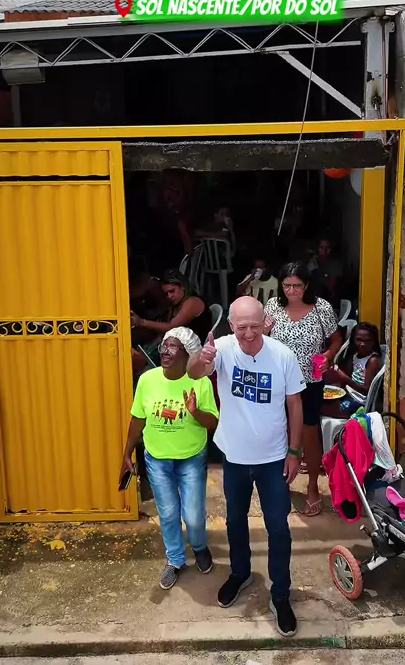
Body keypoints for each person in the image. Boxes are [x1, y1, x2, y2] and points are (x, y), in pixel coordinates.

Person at [187, 296, 305, 638]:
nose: (249, 334)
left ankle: (280, 594)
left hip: (273, 458)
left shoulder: (282, 355)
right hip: (235, 457)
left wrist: (295, 452)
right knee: (235, 521)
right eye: (242, 327)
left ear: (266, 322)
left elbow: (295, 405)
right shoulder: (222, 348)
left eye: (255, 326)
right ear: (231, 325)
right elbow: (194, 372)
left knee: (278, 528)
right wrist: (202, 357)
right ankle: (240, 574)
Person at [119, 327, 219, 590]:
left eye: (173, 347)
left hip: (191, 458)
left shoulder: (200, 382)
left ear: (189, 354)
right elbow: (138, 418)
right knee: (168, 513)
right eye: (164, 346)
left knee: (193, 516)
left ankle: (199, 546)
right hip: (158, 459)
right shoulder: (147, 380)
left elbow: (212, 423)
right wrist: (127, 452)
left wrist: (195, 412)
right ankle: (175, 559)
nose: (165, 351)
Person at [264, 262, 342, 518]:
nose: (292, 291)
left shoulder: (321, 308)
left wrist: (328, 356)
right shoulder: (273, 307)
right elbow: (260, 338)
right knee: (279, 431)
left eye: (297, 286)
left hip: (310, 380)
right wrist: (262, 330)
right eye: (287, 285)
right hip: (278, 381)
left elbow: (336, 339)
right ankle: (281, 483)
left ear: (306, 285)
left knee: (309, 432)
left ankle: (312, 485)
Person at [130, 270, 213, 346]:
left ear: (183, 287)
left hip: (193, 348)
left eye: (172, 291)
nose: (169, 296)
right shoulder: (176, 303)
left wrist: (142, 322)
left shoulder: (192, 302)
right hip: (178, 344)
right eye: (166, 294)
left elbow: (171, 328)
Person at [322, 323, 383, 418]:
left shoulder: (372, 361)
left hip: (359, 403)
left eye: (367, 341)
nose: (362, 344)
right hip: (348, 395)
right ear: (353, 340)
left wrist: (344, 378)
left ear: (374, 342)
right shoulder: (355, 355)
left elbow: (366, 391)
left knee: (319, 409)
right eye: (359, 340)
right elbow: (349, 376)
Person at [307, 237, 343, 312]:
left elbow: (333, 286)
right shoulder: (312, 261)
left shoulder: (335, 264)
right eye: (321, 247)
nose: (324, 250)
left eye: (327, 248)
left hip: (328, 299)